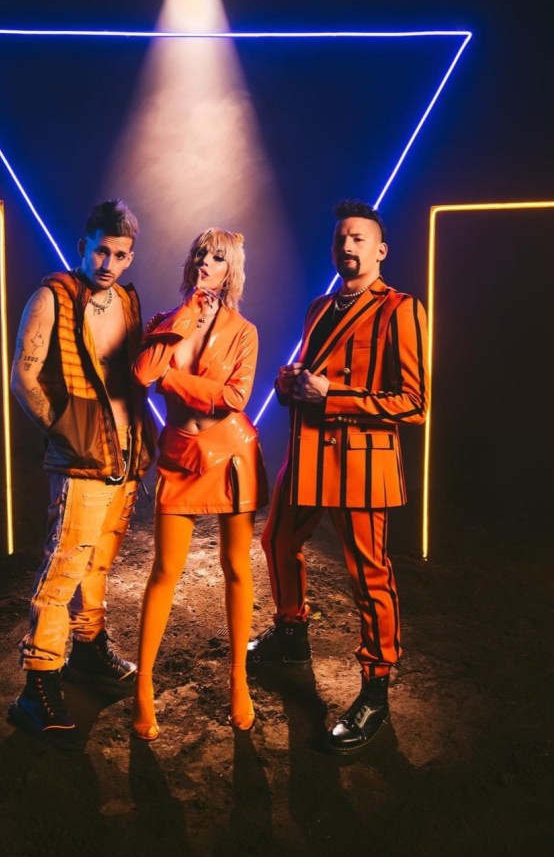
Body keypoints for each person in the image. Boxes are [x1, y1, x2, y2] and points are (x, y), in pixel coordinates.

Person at [247, 199, 429, 754]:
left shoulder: (401, 308)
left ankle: (376, 690)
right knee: (277, 540)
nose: (347, 246)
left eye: (358, 239)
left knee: (369, 577)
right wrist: (289, 383)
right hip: (307, 456)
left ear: (381, 250)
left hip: (361, 464)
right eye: (341, 239)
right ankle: (291, 632)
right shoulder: (319, 307)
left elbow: (414, 403)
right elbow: (311, 376)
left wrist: (333, 394)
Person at [7, 199, 156, 749]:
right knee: (65, 565)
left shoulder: (129, 301)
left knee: (97, 562)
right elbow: (23, 376)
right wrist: (65, 432)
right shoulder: (54, 295)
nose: (109, 263)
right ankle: (38, 683)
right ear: (83, 246)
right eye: (101, 251)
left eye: (120, 254)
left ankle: (88, 651)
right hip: (81, 458)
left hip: (124, 455)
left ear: (131, 256)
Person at [130, 228, 268, 741]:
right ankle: (143, 686)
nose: (206, 263)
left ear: (231, 270)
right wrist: (185, 314)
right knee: (164, 572)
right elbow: (143, 373)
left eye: (217, 257)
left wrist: (172, 380)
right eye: (201, 255)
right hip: (179, 458)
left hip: (231, 454)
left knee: (237, 568)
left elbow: (234, 398)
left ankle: (239, 680)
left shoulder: (244, 331)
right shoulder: (166, 322)